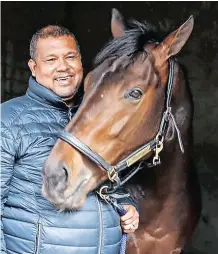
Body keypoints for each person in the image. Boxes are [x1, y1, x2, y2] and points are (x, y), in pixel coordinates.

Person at [1, 25, 139, 254]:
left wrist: (127, 206)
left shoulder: (100, 117)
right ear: (33, 68)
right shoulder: (8, 120)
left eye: (70, 57)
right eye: (51, 59)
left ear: (80, 62)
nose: (63, 66)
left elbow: (112, 182)